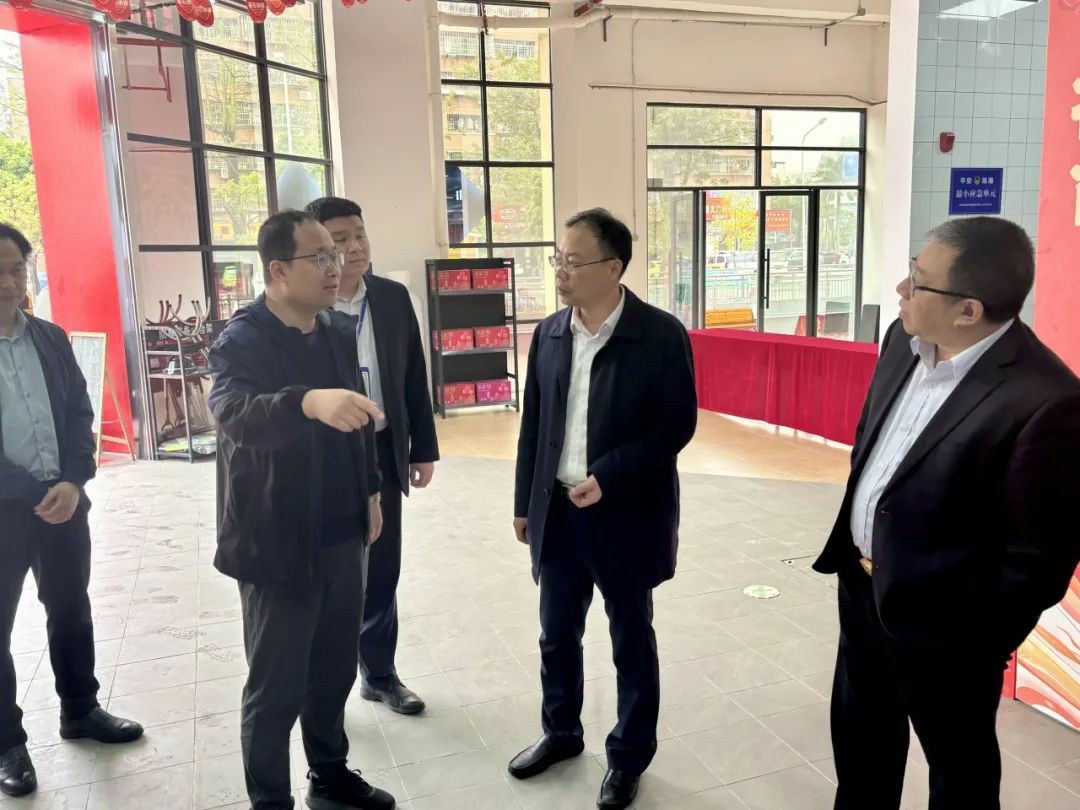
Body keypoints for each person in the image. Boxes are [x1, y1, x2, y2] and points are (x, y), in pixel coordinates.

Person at [813, 217, 1080, 810]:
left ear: (968, 310)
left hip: (949, 631)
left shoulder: (1046, 399)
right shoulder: (900, 341)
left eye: (917, 280)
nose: (901, 290)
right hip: (862, 591)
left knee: (959, 773)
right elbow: (873, 445)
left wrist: (976, 642)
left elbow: (1038, 560)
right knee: (861, 752)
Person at [209, 211, 395, 810]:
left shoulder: (336, 330)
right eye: (319, 257)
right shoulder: (242, 339)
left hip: (343, 530)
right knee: (276, 685)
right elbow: (234, 416)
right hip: (277, 539)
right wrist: (307, 402)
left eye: (334, 255)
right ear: (278, 270)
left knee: (334, 669)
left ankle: (329, 775)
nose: (334, 266)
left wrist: (370, 492)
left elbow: (357, 422)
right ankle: (270, 799)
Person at [511, 209, 697, 810]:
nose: (560, 271)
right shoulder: (550, 333)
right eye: (557, 259)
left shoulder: (659, 335)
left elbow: (676, 425)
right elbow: (535, 425)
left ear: (613, 268)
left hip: (625, 514)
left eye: (573, 261)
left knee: (630, 641)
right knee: (556, 635)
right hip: (559, 511)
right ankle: (561, 733)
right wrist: (524, 502)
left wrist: (608, 476)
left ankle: (628, 757)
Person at [0, 223, 143, 798]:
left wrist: (73, 479)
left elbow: (80, 414)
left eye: (16, 269)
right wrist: (32, 488)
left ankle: (80, 709)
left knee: (70, 607)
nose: (8, 282)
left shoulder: (50, 337)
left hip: (64, 503)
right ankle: (6, 742)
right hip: (6, 509)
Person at [306, 197, 439, 716]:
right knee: (332, 572)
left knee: (383, 566)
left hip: (381, 446)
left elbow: (412, 375)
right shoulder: (305, 307)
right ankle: (323, 688)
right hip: (327, 456)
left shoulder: (391, 297)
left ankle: (379, 674)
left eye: (359, 234)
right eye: (340, 240)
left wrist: (422, 448)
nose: (355, 246)